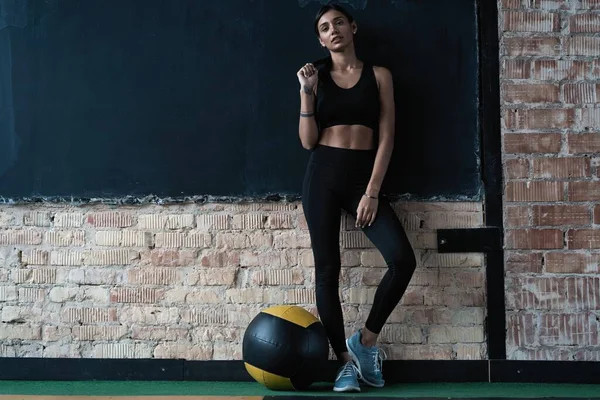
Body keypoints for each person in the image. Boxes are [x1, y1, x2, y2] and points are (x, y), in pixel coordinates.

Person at [296, 4, 417, 393]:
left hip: (363, 178)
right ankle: (344, 364)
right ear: (320, 38)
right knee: (327, 271)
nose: (333, 31)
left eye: (339, 23)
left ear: (353, 27)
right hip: (323, 176)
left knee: (402, 260)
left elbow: (388, 137)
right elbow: (308, 141)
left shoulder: (379, 76)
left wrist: (372, 191)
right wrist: (306, 95)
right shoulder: (315, 77)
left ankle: (364, 343)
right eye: (325, 28)